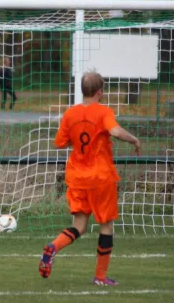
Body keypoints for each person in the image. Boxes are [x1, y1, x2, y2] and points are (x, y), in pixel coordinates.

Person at [38, 71, 141, 286]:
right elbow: (114, 130)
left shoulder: (70, 114)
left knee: (79, 226)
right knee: (105, 225)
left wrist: (76, 140)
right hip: (100, 177)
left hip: (76, 177)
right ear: (100, 92)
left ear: (82, 90)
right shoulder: (103, 112)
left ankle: (53, 248)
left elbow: (59, 142)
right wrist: (133, 140)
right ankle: (100, 277)